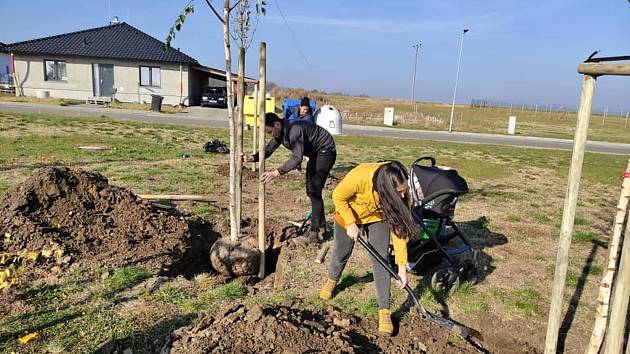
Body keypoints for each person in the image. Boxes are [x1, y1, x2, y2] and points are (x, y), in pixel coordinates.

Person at [318, 161, 416, 336]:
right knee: (341, 252)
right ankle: (332, 279)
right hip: (349, 213)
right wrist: (349, 222)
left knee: (381, 260)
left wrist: (402, 268)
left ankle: (384, 311)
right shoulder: (360, 176)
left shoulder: (400, 196)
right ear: (386, 190)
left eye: (404, 190)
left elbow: (400, 233)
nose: (403, 195)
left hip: (378, 217)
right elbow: (338, 196)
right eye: (399, 192)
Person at [243, 112, 336, 242]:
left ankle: (314, 233)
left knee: (314, 191)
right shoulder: (280, 132)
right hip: (315, 154)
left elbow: (297, 158)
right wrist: (252, 158)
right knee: (311, 191)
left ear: (276, 124)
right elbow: (269, 149)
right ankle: (321, 227)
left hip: (325, 151)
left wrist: (276, 173)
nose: (271, 135)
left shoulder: (294, 130)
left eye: (270, 132)